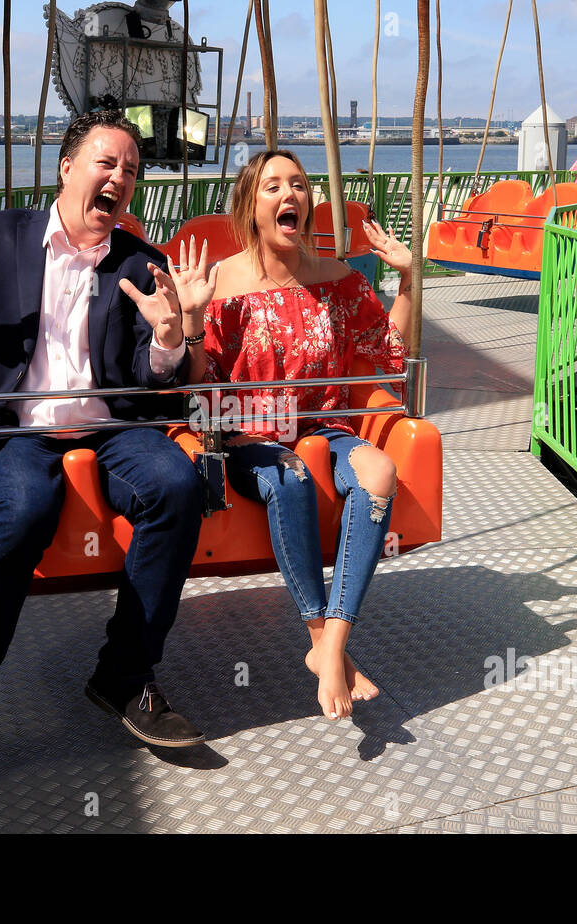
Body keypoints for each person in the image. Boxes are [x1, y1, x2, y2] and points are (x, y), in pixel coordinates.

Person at [0, 111, 207, 791]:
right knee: (21, 509)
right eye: (107, 163)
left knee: (176, 483)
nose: (120, 179)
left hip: (111, 426)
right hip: (14, 424)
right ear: (67, 168)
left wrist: (171, 341)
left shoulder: (142, 262)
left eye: (132, 171)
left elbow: (153, 377)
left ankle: (124, 675)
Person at [169, 149, 416, 722]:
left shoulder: (338, 278)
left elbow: (385, 360)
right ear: (251, 206)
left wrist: (407, 278)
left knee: (379, 471)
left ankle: (331, 644)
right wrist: (193, 321)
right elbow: (196, 391)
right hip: (248, 435)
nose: (290, 195)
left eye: (299, 186)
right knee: (292, 474)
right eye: (273, 186)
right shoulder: (220, 283)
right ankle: (319, 635)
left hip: (322, 427)